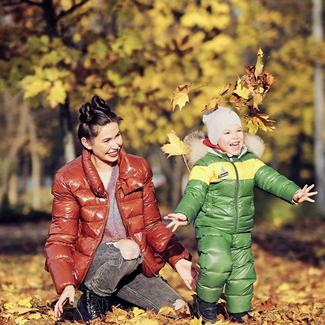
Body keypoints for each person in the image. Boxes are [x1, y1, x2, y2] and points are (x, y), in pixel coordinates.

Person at [44, 95, 198, 322]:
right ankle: (92, 300)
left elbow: (152, 224)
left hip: (132, 263)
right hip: (93, 261)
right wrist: (66, 284)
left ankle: (115, 297)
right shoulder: (69, 178)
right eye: (106, 140)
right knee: (128, 249)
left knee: (178, 310)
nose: (116, 144)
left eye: (117, 135)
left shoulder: (138, 168)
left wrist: (179, 260)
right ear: (87, 143)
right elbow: (60, 238)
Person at [165, 107, 317, 324]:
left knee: (242, 272)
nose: (235, 136)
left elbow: (272, 179)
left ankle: (239, 312)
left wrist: (293, 192)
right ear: (215, 137)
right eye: (227, 133)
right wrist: (184, 213)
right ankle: (205, 305)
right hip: (213, 229)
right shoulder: (206, 165)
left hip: (242, 230)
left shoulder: (249, 161)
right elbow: (195, 193)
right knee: (217, 265)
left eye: (238, 131)